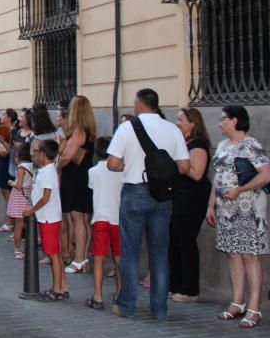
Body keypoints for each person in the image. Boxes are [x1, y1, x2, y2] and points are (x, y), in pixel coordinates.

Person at [106, 88, 190, 320]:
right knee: (159, 254)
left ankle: (126, 306)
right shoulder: (172, 129)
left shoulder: (126, 128)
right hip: (163, 196)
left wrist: (130, 166)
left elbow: (112, 163)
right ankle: (160, 309)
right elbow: (184, 168)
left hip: (135, 191)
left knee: (130, 254)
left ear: (139, 104)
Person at [207, 105, 270, 329]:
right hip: (225, 209)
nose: (220, 123)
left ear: (235, 120)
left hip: (248, 209)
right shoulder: (223, 145)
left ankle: (254, 307)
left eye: (223, 119)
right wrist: (211, 206)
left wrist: (240, 190)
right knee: (233, 254)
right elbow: (217, 178)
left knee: (250, 256)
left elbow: (267, 175)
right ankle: (238, 301)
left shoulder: (251, 145)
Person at [168, 107, 212, 303]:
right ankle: (176, 284)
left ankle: (190, 288)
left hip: (192, 198)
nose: (177, 123)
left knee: (186, 241)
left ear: (193, 123)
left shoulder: (198, 145)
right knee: (174, 240)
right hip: (179, 196)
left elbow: (196, 173)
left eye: (181, 120)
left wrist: (178, 162)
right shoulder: (182, 143)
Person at [24, 139, 66, 301]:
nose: (35, 156)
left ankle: (57, 289)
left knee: (53, 253)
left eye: (36, 153)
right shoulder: (47, 170)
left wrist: (31, 210)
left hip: (49, 217)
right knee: (55, 253)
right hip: (47, 217)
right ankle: (62, 285)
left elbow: (46, 197)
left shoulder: (48, 172)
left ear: (43, 154)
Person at [60, 96, 96, 275]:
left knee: (78, 219)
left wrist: (56, 166)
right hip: (83, 177)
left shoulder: (78, 132)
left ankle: (79, 258)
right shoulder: (89, 132)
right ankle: (84, 256)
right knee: (83, 219)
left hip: (75, 179)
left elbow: (67, 156)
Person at [86, 136, 123, 310]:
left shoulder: (93, 171)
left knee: (99, 258)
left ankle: (98, 296)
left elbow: (92, 187)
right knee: (119, 259)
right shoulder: (121, 171)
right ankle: (120, 292)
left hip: (100, 217)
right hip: (118, 218)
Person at [7, 143, 34, 259]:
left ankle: (17, 249)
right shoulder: (33, 166)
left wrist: (10, 182)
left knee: (18, 224)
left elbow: (18, 185)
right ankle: (30, 247)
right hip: (29, 195)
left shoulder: (21, 167)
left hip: (19, 196)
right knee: (30, 223)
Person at [0, 109, 16, 233]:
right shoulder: (2, 130)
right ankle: (10, 221)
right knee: (4, 191)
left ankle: (10, 222)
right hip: (2, 162)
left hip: (9, 163)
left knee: (8, 194)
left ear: (9, 117)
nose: (1, 116)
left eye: (3, 115)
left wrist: (2, 143)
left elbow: (10, 149)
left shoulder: (13, 131)